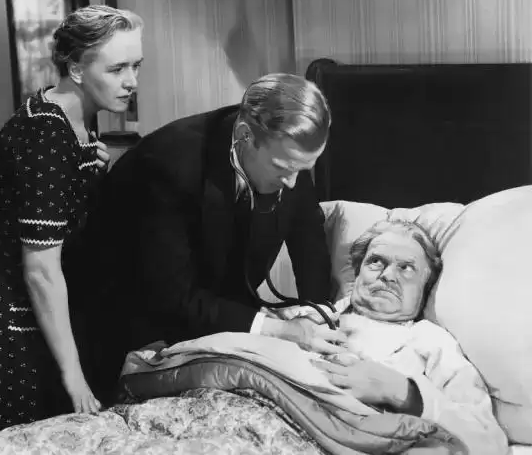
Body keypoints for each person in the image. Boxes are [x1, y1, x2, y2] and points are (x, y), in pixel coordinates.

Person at [0, 4, 144, 438]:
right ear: (76, 69)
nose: (132, 81)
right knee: (12, 437)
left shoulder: (74, 118)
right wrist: (73, 375)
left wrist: (88, 168)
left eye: (136, 66)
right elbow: (41, 271)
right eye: (117, 68)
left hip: (24, 300)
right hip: (0, 310)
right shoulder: (45, 133)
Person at [79, 73, 348, 400]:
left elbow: (308, 235)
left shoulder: (288, 150)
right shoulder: (169, 164)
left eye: (302, 169)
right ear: (245, 136)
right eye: (282, 169)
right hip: (130, 321)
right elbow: (172, 296)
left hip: (213, 311)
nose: (293, 183)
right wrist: (278, 329)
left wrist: (315, 312)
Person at [275, 219, 508, 453]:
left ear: (424, 288)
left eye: (406, 268)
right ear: (358, 272)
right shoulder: (302, 318)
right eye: (376, 261)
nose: (388, 275)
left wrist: (403, 392)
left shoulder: (432, 343)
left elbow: (488, 443)